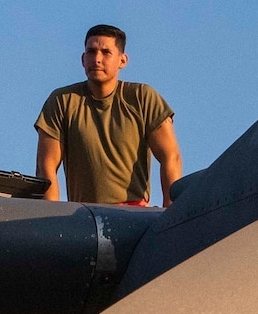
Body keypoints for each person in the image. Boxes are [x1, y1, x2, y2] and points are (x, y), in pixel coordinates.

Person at [34, 25, 181, 206]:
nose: (97, 59)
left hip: (133, 215)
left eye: (106, 52)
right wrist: (51, 219)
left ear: (122, 60)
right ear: (82, 59)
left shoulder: (142, 97)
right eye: (91, 52)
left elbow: (170, 156)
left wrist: (171, 215)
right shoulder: (62, 101)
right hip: (83, 218)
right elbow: (46, 166)